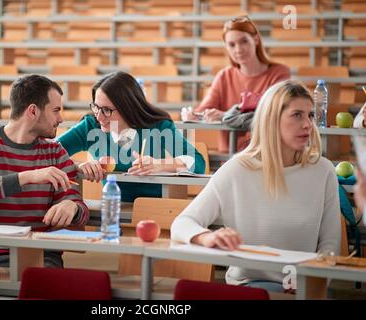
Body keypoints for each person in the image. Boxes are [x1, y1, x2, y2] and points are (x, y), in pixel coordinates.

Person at [172, 79, 341, 292]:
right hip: (248, 288)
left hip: (303, 288)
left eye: (310, 115)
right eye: (297, 115)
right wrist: (208, 237)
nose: (308, 124)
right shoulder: (237, 169)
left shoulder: (323, 170)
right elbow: (182, 223)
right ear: (271, 120)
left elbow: (330, 245)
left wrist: (314, 281)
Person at [0, 74, 89, 268]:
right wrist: (26, 177)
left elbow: (80, 208)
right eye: (56, 110)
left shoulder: (55, 152)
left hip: (42, 256)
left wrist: (72, 207)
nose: (61, 118)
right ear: (33, 111)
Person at [56, 71, 205, 202]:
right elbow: (49, 153)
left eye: (107, 110)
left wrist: (160, 165)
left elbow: (198, 163)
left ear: (128, 107)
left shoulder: (159, 127)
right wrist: (79, 165)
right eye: (96, 107)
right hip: (112, 205)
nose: (99, 117)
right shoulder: (91, 126)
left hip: (155, 207)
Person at [182, 15, 291, 153]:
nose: (238, 49)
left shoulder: (280, 73)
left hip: (266, 154)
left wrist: (225, 116)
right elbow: (205, 109)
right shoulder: (224, 76)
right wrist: (194, 115)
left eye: (244, 41)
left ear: (256, 39)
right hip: (229, 157)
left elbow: (273, 112)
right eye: (232, 44)